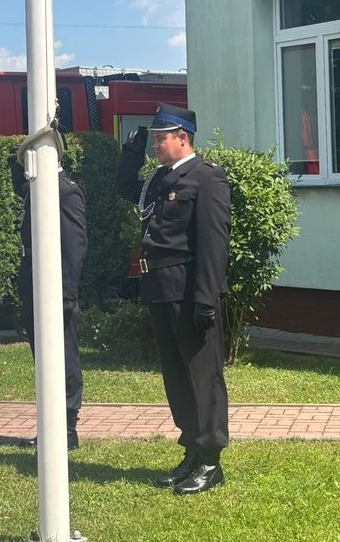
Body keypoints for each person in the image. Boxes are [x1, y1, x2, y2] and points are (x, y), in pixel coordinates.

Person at [116, 104, 231, 495]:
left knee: (202, 377)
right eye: (151, 140)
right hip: (160, 288)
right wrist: (130, 153)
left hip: (188, 289)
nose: (155, 147)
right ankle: (192, 451)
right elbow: (124, 189)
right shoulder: (158, 180)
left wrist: (206, 299)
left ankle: (211, 460)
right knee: (176, 378)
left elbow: (214, 244)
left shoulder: (207, 178)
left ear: (183, 137)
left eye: (159, 139)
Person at [9, 136, 87, 450]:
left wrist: (66, 291)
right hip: (35, 278)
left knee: (63, 355)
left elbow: (74, 244)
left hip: (56, 284)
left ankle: (66, 427)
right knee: (43, 355)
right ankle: (50, 424)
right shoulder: (37, 189)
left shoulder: (64, 191)